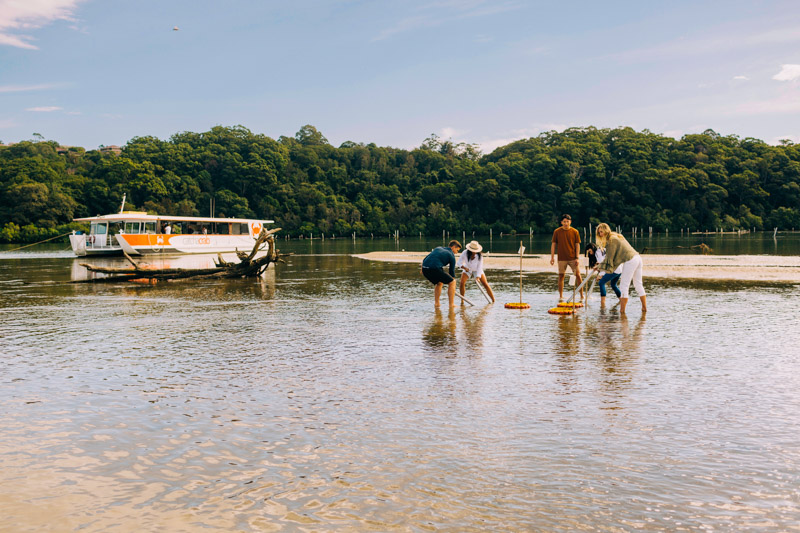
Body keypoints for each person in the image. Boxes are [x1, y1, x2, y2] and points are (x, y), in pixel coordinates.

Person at [593, 223, 647, 314]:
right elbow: (613, 259)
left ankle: (622, 312)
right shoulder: (616, 235)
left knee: (623, 286)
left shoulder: (611, 240)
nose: (600, 234)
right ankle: (644, 309)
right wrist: (601, 266)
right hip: (637, 258)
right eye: (599, 233)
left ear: (606, 230)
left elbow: (609, 259)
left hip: (630, 260)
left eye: (601, 232)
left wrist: (599, 267)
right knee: (638, 284)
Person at [550, 213, 582, 302]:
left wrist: (577, 257)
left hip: (573, 258)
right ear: (561, 222)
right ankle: (561, 296)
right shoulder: (557, 231)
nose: (566, 223)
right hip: (561, 258)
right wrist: (552, 257)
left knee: (578, 275)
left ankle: (582, 296)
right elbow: (553, 245)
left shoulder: (575, 232)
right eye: (564, 222)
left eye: (567, 222)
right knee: (561, 276)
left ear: (570, 222)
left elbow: (577, 245)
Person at [421, 240, 462, 308]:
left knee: (439, 282)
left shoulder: (438, 248)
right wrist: (452, 285)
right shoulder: (451, 255)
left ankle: (437, 304)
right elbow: (451, 272)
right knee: (453, 282)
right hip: (435, 268)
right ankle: (451, 305)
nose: (456, 253)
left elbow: (425, 258)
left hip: (425, 268)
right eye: (457, 250)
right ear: (453, 247)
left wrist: (422, 269)